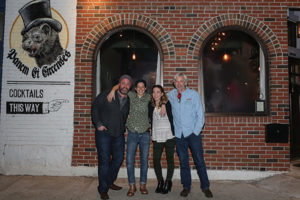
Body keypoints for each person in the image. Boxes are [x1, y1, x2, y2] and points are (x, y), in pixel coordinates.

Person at [167, 72, 213, 198]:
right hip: (179, 135)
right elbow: (159, 99)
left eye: (181, 81)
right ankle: (186, 187)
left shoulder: (193, 95)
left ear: (186, 82)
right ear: (174, 83)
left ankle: (205, 187)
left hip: (193, 134)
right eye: (176, 81)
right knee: (183, 162)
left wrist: (196, 132)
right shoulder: (171, 95)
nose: (179, 83)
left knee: (199, 161)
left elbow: (200, 116)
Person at [107, 79, 151, 197]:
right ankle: (132, 185)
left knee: (144, 161)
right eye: (138, 87)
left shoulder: (149, 98)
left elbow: (160, 100)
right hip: (132, 134)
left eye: (143, 87)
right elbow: (120, 85)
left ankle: (143, 184)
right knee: (130, 161)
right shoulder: (131, 95)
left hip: (145, 134)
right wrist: (112, 90)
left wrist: (162, 106)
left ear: (145, 88)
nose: (141, 89)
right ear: (135, 88)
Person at [91, 74, 132, 200]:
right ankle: (103, 189)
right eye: (123, 83)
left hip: (118, 134)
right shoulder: (107, 94)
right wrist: (98, 124)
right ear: (119, 84)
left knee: (118, 159)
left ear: (130, 86)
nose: (125, 85)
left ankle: (108, 182)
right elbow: (95, 108)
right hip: (104, 133)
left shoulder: (128, 99)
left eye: (127, 83)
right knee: (104, 161)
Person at [148, 85, 175, 194]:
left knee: (170, 160)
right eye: (154, 92)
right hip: (157, 136)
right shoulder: (150, 105)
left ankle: (168, 182)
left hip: (169, 135)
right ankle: (160, 181)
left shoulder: (168, 103)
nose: (156, 94)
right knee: (156, 160)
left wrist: (164, 103)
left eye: (158, 92)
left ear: (162, 93)